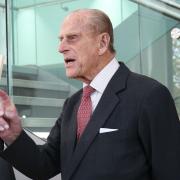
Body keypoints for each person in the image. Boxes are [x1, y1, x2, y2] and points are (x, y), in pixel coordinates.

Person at [0, 8, 180, 180]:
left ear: (102, 43)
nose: (60, 48)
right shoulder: (72, 104)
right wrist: (12, 133)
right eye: (61, 39)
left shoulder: (150, 96)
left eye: (72, 38)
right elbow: (43, 166)